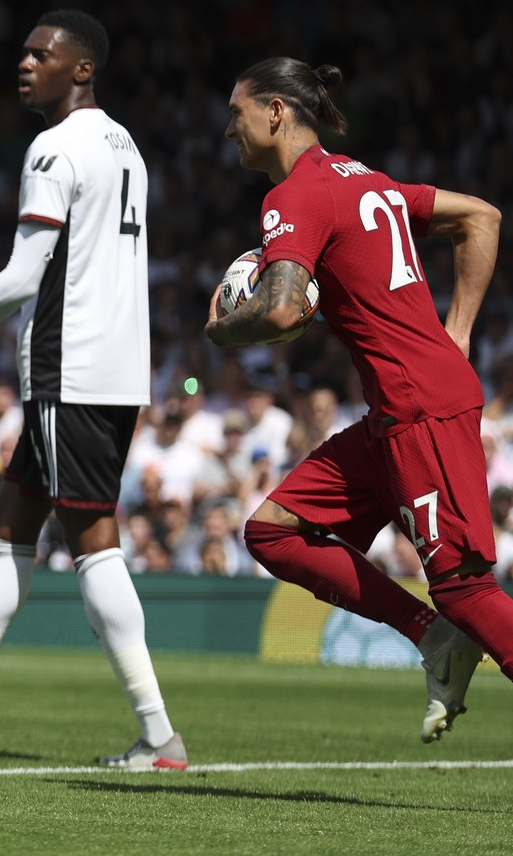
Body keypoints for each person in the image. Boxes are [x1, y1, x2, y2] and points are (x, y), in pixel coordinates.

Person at [206, 57, 509, 744]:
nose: (229, 129)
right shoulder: (364, 178)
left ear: (275, 112)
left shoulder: (293, 196)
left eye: (237, 112)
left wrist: (224, 328)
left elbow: (283, 312)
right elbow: (481, 216)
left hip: (419, 409)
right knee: (272, 530)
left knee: (464, 586)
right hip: (395, 412)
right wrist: (454, 332)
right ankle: (433, 638)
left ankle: (446, 625)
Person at [0, 10, 185, 769]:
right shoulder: (125, 145)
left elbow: (22, 278)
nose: (25, 64)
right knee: (10, 524)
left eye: (43, 54)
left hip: (69, 367)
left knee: (94, 541)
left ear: (83, 68)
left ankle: (159, 731)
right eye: (24, 53)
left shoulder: (54, 147)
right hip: (116, 367)